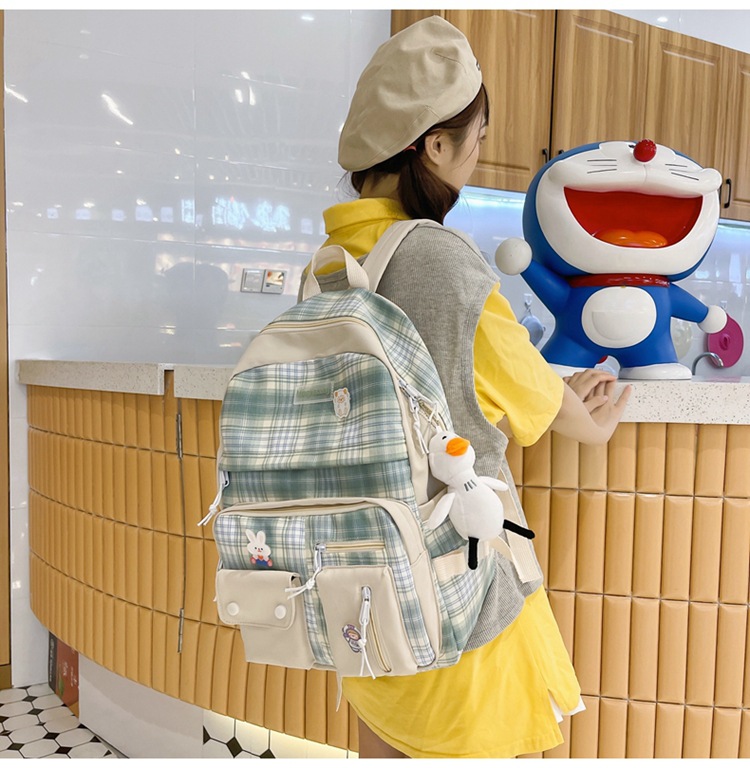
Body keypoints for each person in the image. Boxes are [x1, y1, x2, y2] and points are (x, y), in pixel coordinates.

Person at [300, 16, 631, 759]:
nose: (476, 158)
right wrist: (593, 421)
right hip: (456, 583)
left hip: (359, 587)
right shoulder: (440, 259)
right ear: (435, 146)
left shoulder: (327, 263)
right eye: (475, 140)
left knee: (388, 740)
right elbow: (530, 390)